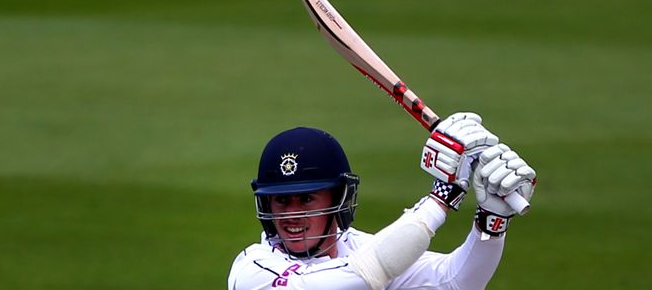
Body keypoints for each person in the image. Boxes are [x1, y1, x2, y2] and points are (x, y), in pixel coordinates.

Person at [227, 112, 537, 290]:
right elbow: (361, 275)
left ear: (339, 198)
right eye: (281, 201)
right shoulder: (253, 271)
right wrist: (443, 196)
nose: (291, 215)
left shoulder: (362, 248)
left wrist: (492, 221)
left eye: (307, 199)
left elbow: (455, 282)